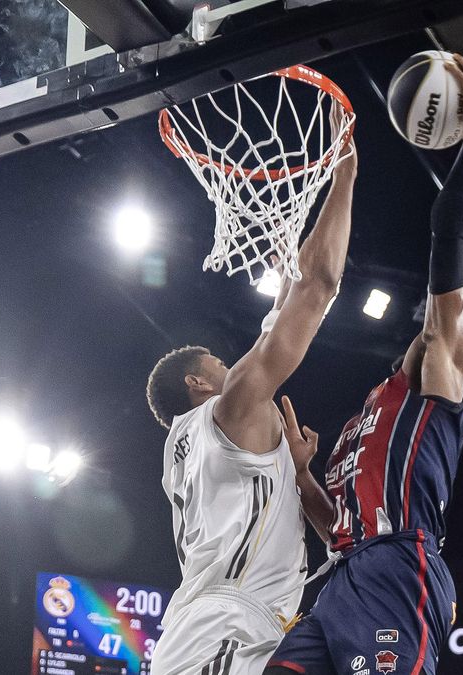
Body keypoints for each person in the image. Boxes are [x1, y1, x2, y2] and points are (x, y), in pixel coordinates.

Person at [264, 54, 463, 675]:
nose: (443, 337)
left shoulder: (443, 386)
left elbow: (447, 239)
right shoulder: (375, 406)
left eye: (460, 348)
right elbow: (336, 525)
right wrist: (303, 476)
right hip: (344, 578)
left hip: (400, 568)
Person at [144, 125, 356, 674]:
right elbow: (319, 287)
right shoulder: (229, 410)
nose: (227, 361)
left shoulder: (188, 449)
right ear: (197, 382)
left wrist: (294, 474)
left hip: (220, 628)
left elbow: (275, 325)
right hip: (228, 630)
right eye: (216, 359)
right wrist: (344, 175)